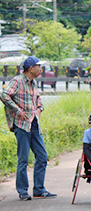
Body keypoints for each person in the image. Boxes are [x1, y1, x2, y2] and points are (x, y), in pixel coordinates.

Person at [0, 56, 56, 200]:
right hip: (22, 125)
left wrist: (40, 108)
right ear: (31, 68)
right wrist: (18, 111)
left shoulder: (34, 83)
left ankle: (39, 189)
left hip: (34, 122)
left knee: (42, 156)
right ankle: (23, 191)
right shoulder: (17, 81)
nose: (41, 69)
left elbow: (37, 99)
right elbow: (4, 95)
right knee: (23, 159)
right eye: (38, 66)